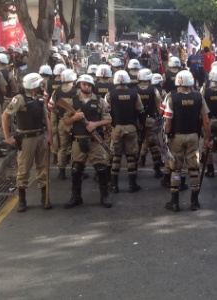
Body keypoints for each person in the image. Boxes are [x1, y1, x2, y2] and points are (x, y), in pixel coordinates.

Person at [3, 73, 53, 212]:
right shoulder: (19, 99)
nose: (41, 86)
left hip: (40, 136)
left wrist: (49, 135)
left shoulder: (39, 98)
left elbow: (46, 117)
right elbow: (5, 116)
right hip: (26, 139)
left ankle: (45, 198)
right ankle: (22, 199)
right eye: (39, 84)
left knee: (42, 168)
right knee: (24, 169)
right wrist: (8, 137)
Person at [163, 70, 212, 212]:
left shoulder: (171, 97)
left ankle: (174, 202)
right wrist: (208, 138)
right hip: (193, 136)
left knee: (176, 169)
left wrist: (166, 138)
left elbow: (168, 122)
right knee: (193, 168)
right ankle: (194, 202)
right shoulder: (198, 97)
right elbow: (206, 121)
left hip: (176, 137)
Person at [61, 74, 112, 209]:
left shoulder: (100, 101)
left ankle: (104, 196)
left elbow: (108, 119)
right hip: (78, 141)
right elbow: (65, 121)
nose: (87, 86)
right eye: (84, 84)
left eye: (89, 85)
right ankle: (76, 197)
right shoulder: (72, 102)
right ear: (79, 85)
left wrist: (95, 124)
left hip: (95, 141)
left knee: (101, 169)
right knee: (76, 170)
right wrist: (75, 118)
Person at [105, 70, 146, 193]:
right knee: (130, 156)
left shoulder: (110, 94)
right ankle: (132, 184)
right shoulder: (134, 94)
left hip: (116, 127)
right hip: (131, 127)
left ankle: (114, 184)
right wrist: (141, 125)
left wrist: (108, 127)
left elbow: (106, 112)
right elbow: (141, 111)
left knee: (116, 156)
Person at [49, 69, 77, 180]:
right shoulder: (77, 91)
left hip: (61, 122)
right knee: (75, 147)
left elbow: (50, 106)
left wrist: (58, 113)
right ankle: (76, 170)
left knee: (62, 147)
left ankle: (61, 172)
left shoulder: (56, 91)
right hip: (74, 121)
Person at [135, 68, 164, 177]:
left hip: (137, 121)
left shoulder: (134, 89)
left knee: (136, 145)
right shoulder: (154, 90)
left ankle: (133, 170)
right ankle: (157, 169)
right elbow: (160, 107)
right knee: (153, 144)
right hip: (150, 120)